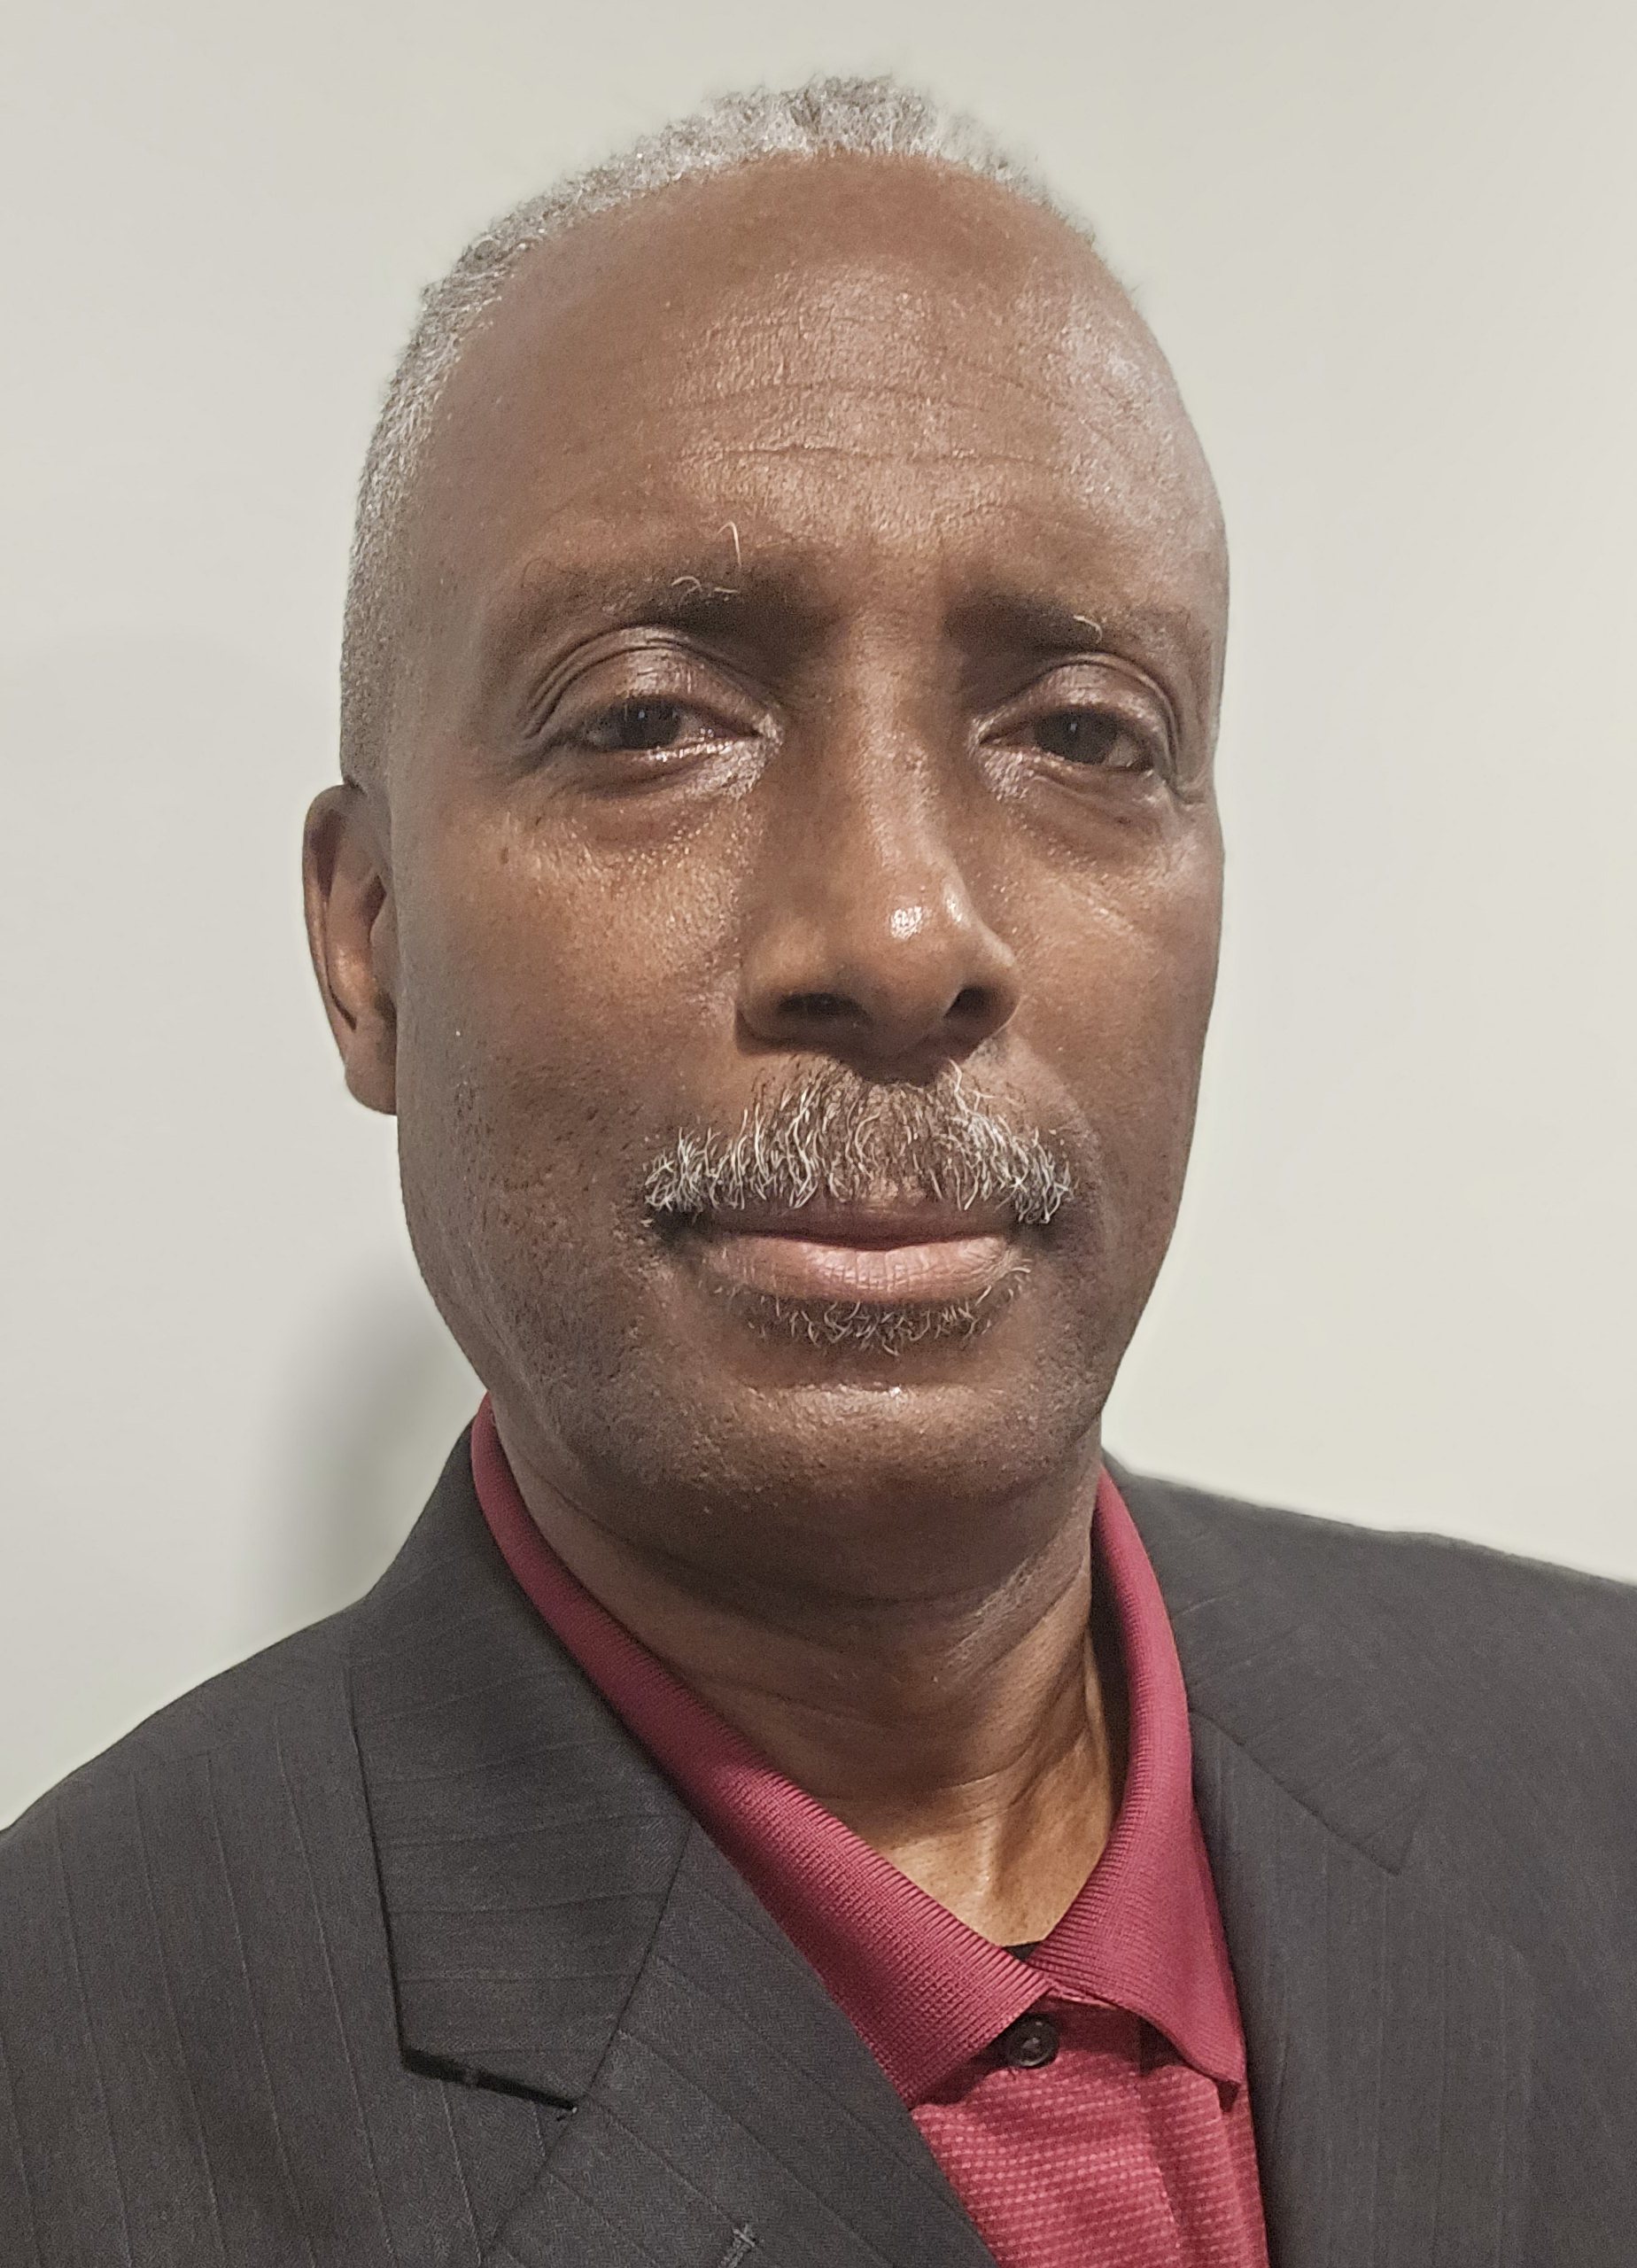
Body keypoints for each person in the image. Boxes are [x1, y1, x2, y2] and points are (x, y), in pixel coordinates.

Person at [0, 74, 1631, 2268]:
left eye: (1083, 731)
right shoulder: (69, 2093)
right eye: (650, 716)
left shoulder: (1601, 1773)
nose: (899, 928)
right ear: (367, 942)